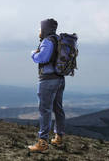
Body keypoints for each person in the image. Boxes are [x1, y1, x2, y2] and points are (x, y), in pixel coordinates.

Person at [28, 18, 66, 153]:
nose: (39, 31)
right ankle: (59, 137)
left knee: (45, 110)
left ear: (45, 29)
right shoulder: (58, 39)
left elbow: (42, 58)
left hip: (48, 80)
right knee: (58, 108)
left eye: (40, 28)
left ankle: (42, 143)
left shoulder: (48, 41)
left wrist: (33, 54)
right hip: (60, 79)